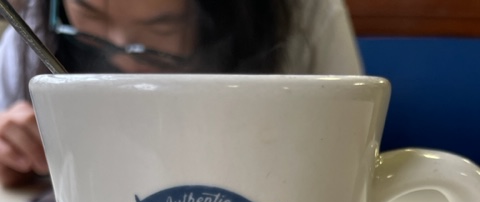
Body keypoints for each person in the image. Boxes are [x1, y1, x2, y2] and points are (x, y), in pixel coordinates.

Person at [0, 0, 362, 188]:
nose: (122, 55)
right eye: (88, 12)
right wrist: (14, 153)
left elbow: (351, 156)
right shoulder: (31, 30)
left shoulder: (300, 20)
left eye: (163, 25)